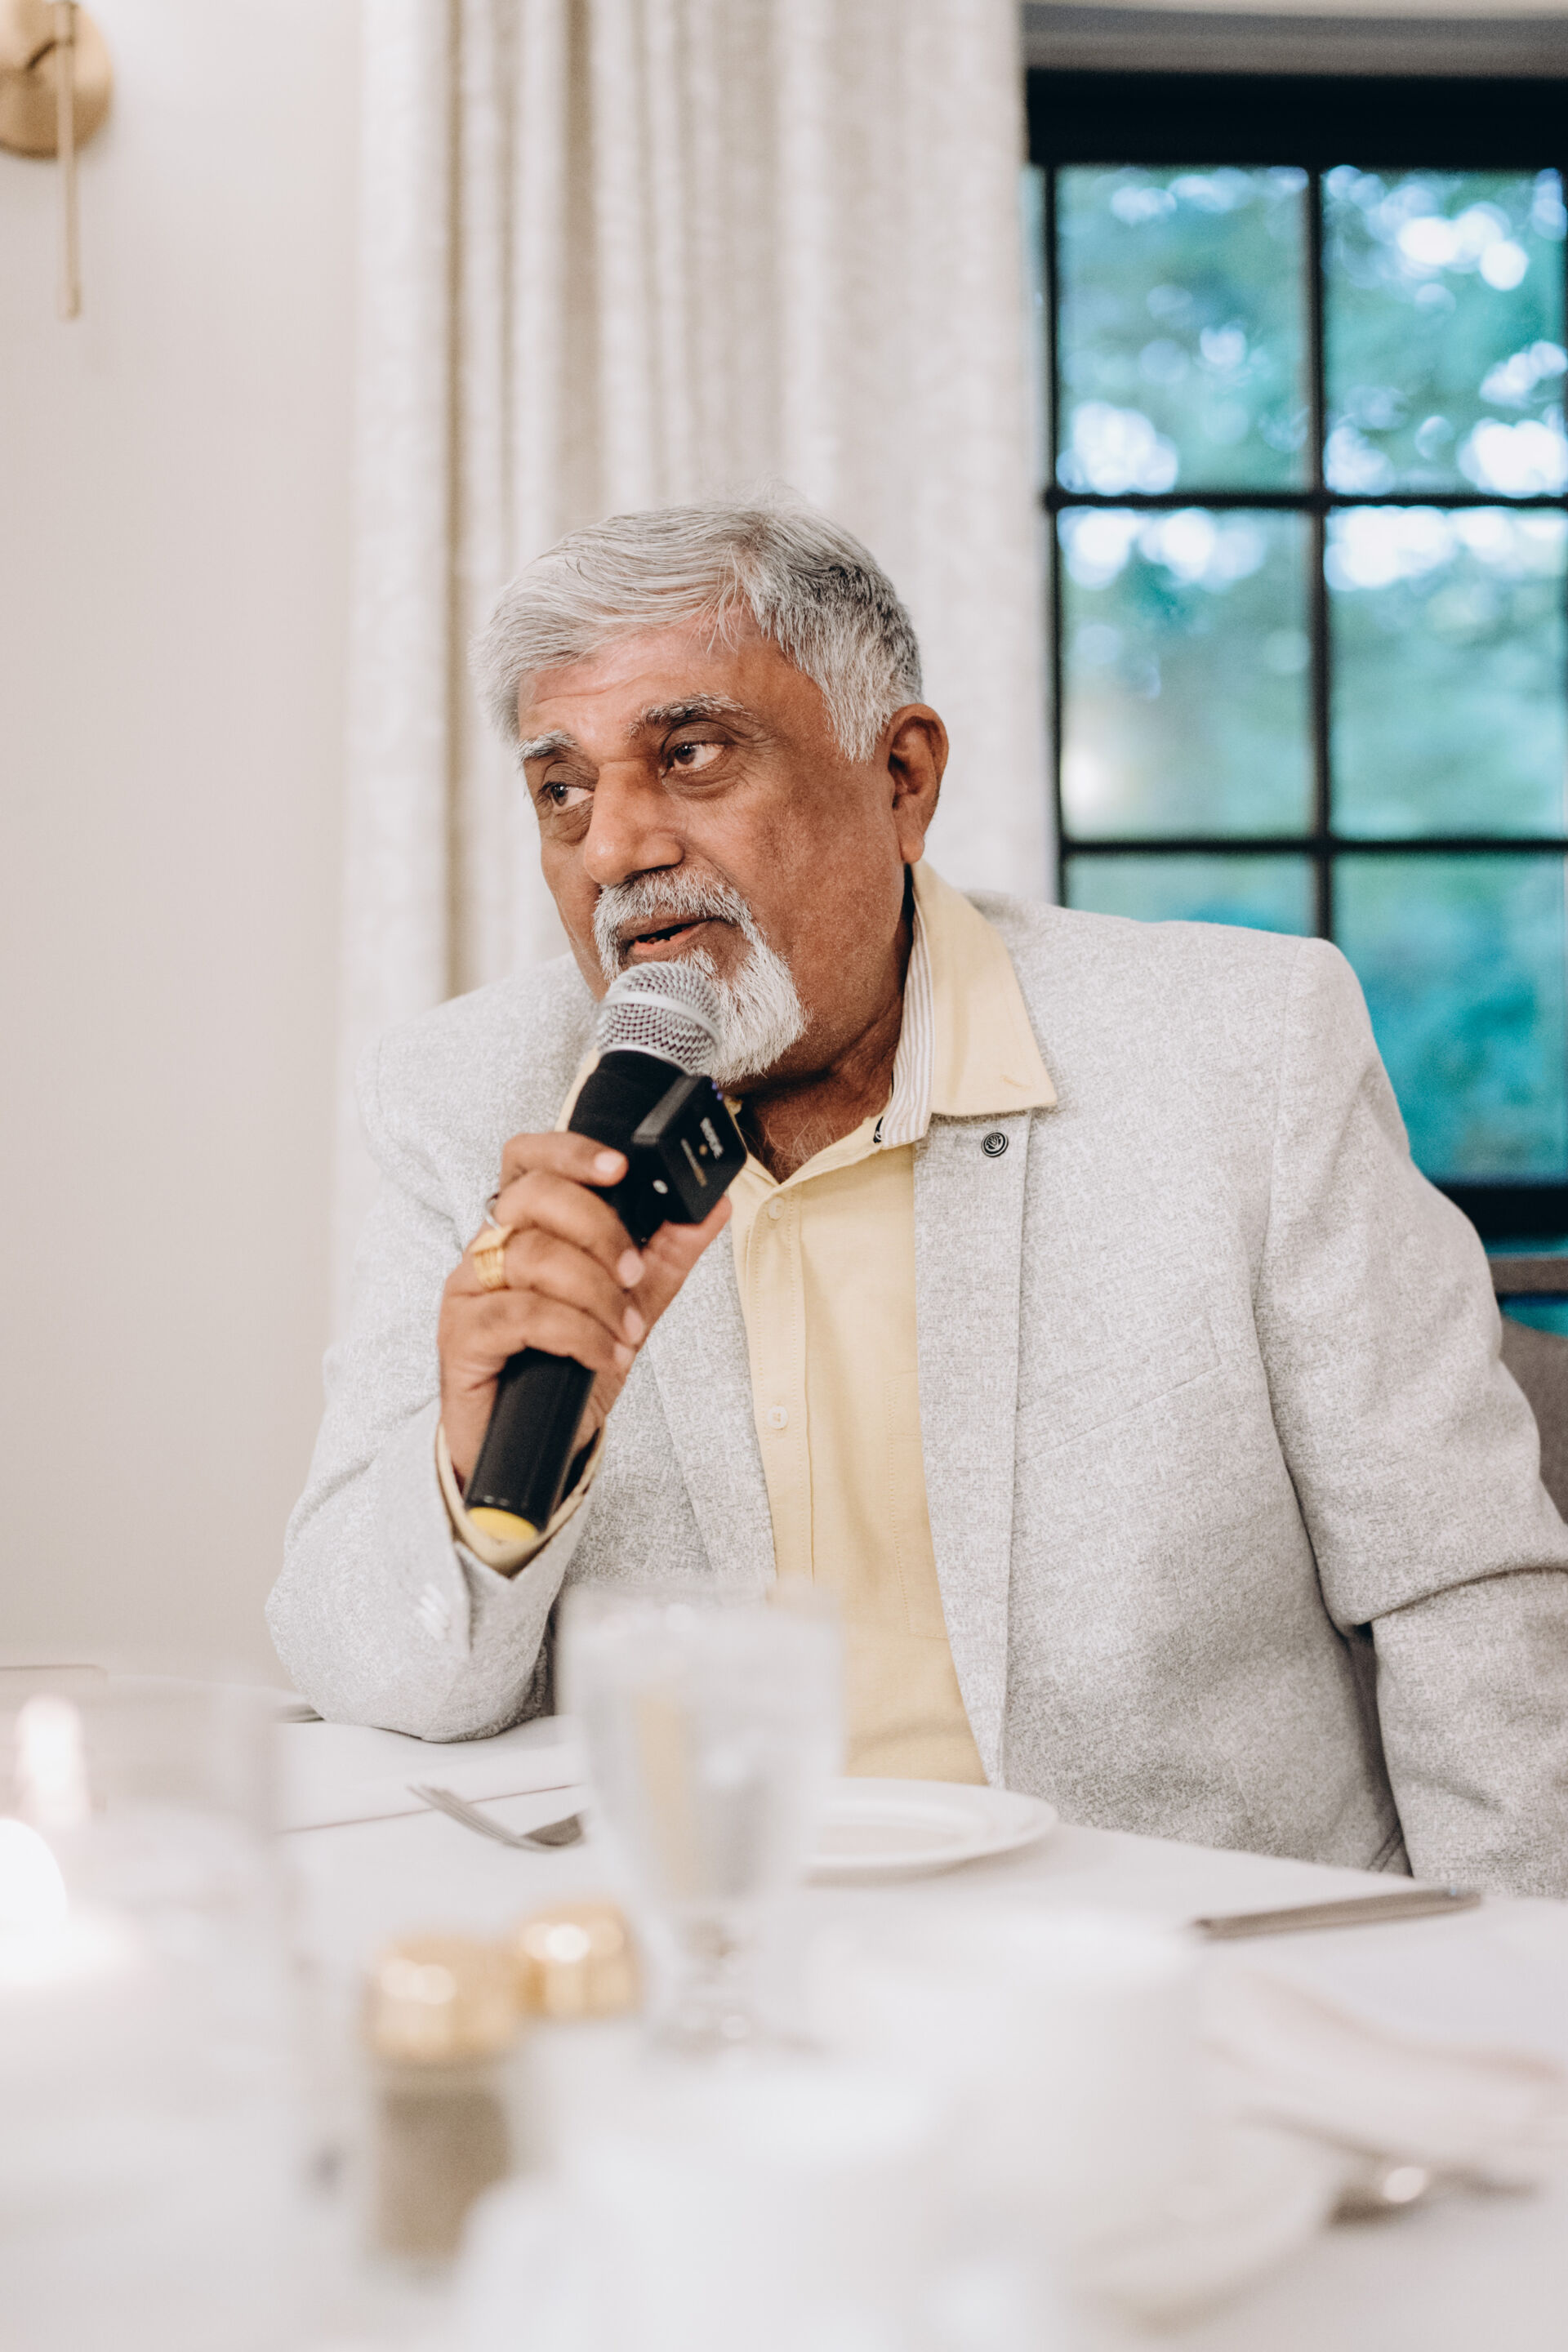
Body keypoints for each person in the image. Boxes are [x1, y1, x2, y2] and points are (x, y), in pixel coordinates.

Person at [270, 501, 1568, 1895]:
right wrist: (480, 1472)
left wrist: (1507, 1985)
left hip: (1174, 1952)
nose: (614, 849)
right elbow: (371, 1677)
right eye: (562, 789)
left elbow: (1464, 1598)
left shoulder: (1243, 1049)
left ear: (902, 776)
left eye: (690, 754)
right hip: (713, 1938)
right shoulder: (467, 1099)